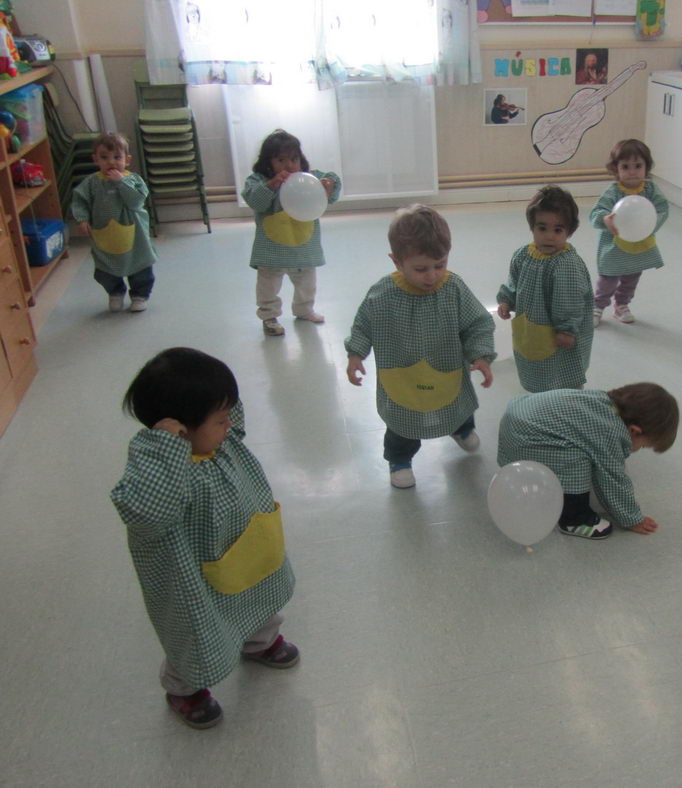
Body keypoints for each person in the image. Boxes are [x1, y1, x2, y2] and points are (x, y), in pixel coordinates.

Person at [111, 348, 298, 730]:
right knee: (194, 633)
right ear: (179, 430)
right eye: (220, 419)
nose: (230, 424)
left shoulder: (221, 440)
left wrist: (217, 401)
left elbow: (230, 411)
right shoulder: (157, 465)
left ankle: (259, 641)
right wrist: (168, 450)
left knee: (259, 593)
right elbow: (146, 515)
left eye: (228, 415)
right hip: (191, 577)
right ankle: (184, 687)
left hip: (247, 551)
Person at [345, 204, 496, 489]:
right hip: (402, 374)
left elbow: (477, 323)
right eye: (420, 268)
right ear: (397, 261)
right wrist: (356, 353)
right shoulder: (383, 294)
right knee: (402, 421)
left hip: (447, 365)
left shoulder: (454, 288)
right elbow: (364, 323)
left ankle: (461, 429)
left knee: (457, 404)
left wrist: (481, 354)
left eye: (440, 265)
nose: (432, 276)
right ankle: (399, 460)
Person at [498, 383, 678, 540]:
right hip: (525, 442)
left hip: (516, 421)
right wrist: (632, 518)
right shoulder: (610, 432)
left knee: (582, 448)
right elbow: (612, 478)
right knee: (578, 460)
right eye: (644, 446)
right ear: (634, 431)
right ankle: (573, 519)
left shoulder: (605, 402)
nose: (639, 450)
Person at [242, 129, 341, 336]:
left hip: (303, 247)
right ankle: (269, 315)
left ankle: (304, 309)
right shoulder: (258, 181)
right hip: (271, 249)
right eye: (281, 160)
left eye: (294, 159)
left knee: (307, 283)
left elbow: (330, 189)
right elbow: (254, 201)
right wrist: (271, 185)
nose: (289, 165)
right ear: (268, 162)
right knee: (268, 285)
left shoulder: (308, 178)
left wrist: (329, 185)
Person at [497, 185, 594, 392]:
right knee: (537, 367)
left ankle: (571, 397)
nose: (549, 236)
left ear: (569, 231)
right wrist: (506, 299)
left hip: (561, 332)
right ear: (532, 227)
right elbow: (513, 280)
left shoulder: (566, 264)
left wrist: (567, 328)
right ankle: (541, 400)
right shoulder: (523, 255)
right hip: (532, 328)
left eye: (558, 230)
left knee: (564, 370)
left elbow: (571, 300)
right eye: (542, 228)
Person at [70, 132, 158, 313]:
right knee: (105, 271)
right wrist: (82, 219)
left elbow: (136, 201)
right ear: (96, 159)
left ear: (127, 160)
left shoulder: (133, 180)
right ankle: (115, 292)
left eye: (117, 157)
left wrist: (121, 182)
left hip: (135, 237)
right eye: (104, 158)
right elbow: (80, 201)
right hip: (105, 236)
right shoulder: (91, 182)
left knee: (140, 268)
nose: (111, 162)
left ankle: (140, 295)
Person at [591, 138, 669, 326]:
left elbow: (662, 209)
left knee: (631, 278)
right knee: (608, 279)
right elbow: (596, 213)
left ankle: (622, 305)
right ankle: (598, 306)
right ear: (616, 169)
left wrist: (651, 224)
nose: (632, 172)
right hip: (615, 248)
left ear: (646, 167)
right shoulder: (614, 192)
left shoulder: (650, 190)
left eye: (638, 166)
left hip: (639, 246)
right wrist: (605, 220)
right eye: (625, 166)